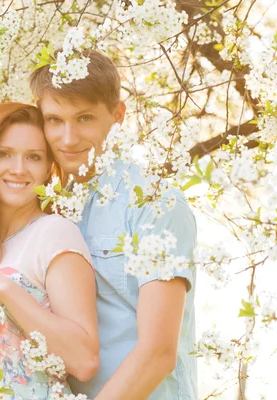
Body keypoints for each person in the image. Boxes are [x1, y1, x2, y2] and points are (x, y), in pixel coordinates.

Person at [29, 50, 198, 399]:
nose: (68, 138)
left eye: (85, 118)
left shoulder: (153, 203)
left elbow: (158, 353)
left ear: (117, 115)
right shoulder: (48, 212)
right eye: (55, 120)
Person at [0, 102, 99, 399]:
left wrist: (1, 287)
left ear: (48, 167)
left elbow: (84, 360)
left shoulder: (53, 233)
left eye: (34, 157)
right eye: (4, 154)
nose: (19, 169)